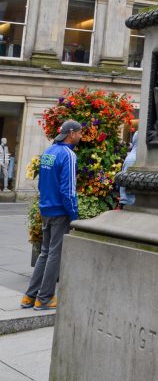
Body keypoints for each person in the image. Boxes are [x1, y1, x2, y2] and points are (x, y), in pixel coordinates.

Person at [20, 118, 82, 311]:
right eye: (79, 133)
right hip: (60, 210)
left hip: (46, 207)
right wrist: (74, 215)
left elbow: (42, 183)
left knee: (45, 252)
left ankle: (29, 296)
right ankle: (45, 298)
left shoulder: (48, 152)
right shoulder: (68, 155)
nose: (80, 136)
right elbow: (68, 190)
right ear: (71, 133)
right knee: (55, 253)